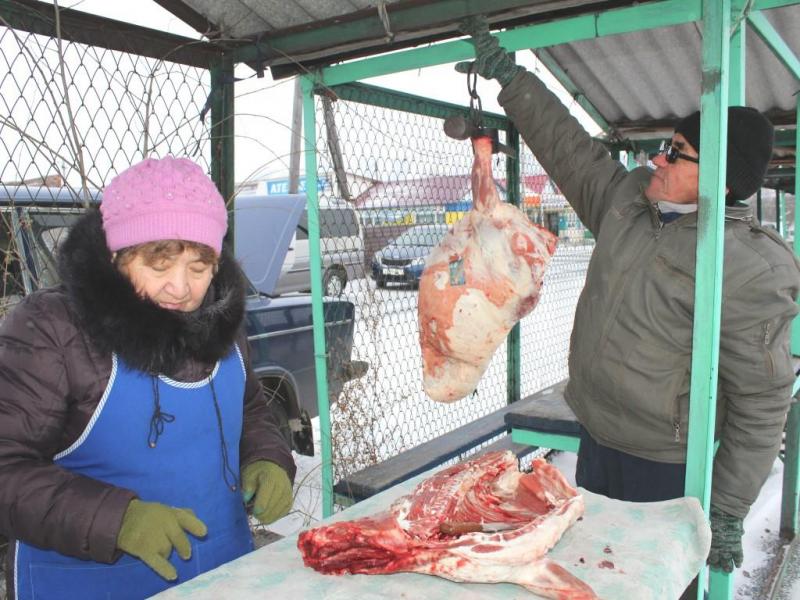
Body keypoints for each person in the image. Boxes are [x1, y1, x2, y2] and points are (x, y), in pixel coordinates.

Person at [456, 16, 800, 579]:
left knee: (656, 583)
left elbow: (761, 403)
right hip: (596, 436)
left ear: (722, 175)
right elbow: (570, 151)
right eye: (667, 147)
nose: (658, 159)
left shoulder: (747, 265)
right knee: (597, 574)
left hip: (666, 467)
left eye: (677, 151)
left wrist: (729, 510)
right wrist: (512, 80)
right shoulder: (628, 203)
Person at [0, 157, 296, 599]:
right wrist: (117, 520)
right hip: (89, 583)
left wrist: (270, 457)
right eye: (159, 266)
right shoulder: (53, 330)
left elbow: (249, 409)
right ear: (118, 257)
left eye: (198, 268)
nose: (180, 288)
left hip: (223, 574)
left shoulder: (220, 320)